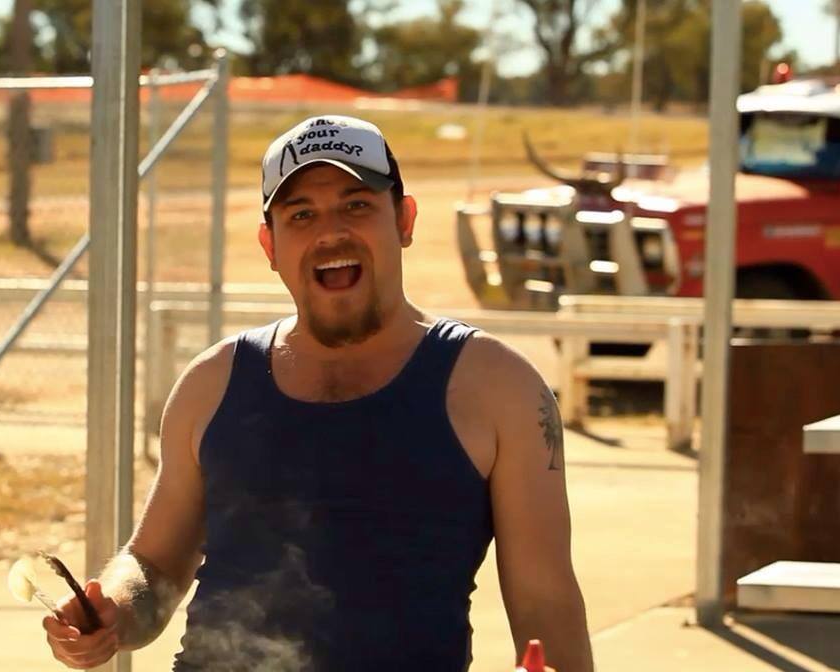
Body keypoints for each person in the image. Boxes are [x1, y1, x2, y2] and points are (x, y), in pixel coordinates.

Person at [42, 115, 593, 671]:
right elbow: (155, 566)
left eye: (357, 205)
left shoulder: (499, 388)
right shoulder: (213, 384)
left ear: (404, 219)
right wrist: (112, 610)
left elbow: (545, 600)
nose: (330, 232)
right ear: (270, 243)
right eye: (301, 214)